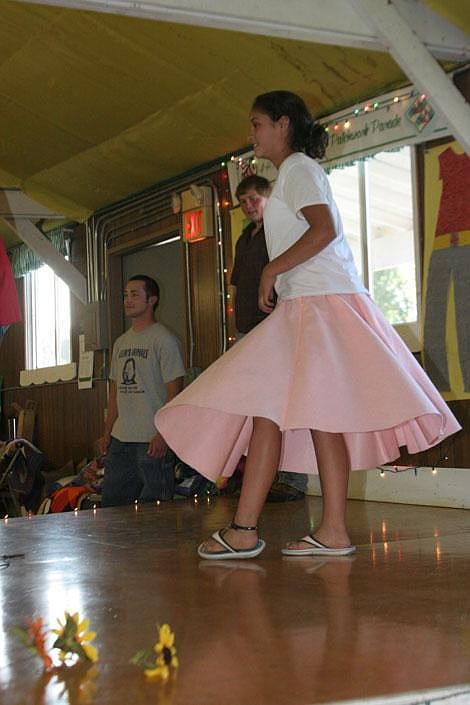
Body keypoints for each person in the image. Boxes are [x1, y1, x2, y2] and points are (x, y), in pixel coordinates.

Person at [155, 90, 461, 560]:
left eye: (257, 123)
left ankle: (267, 529)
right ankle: (277, 528)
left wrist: (272, 270)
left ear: (283, 124)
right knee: (282, 414)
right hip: (305, 307)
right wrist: (277, 275)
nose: (251, 133)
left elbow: (324, 229)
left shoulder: (299, 170)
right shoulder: (293, 174)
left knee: (301, 416)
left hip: (317, 307)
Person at [232, 174, 307, 500]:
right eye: (243, 202)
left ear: (267, 198)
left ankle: (292, 478)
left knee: (285, 403)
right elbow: (236, 283)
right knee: (260, 406)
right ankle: (262, 474)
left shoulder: (280, 232)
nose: (249, 206)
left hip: (276, 323)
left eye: (254, 199)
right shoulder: (244, 238)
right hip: (250, 328)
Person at [99, 275, 185, 506]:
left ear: (152, 300)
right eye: (125, 295)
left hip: (150, 440)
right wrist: (107, 433)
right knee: (112, 507)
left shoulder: (165, 340)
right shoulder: (120, 343)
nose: (128, 300)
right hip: (121, 438)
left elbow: (175, 393)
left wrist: (163, 434)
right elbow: (115, 392)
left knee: (154, 512)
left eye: (135, 294)